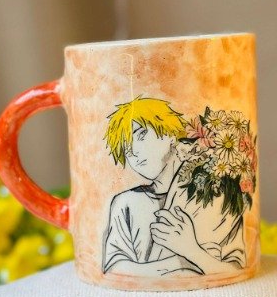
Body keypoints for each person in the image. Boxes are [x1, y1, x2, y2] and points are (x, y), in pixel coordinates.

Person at [101, 96, 246, 278]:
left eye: (141, 135)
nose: (135, 152)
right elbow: (114, 269)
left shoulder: (217, 191)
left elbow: (236, 269)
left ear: (170, 134)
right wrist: (180, 262)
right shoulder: (125, 203)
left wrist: (191, 249)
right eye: (127, 150)